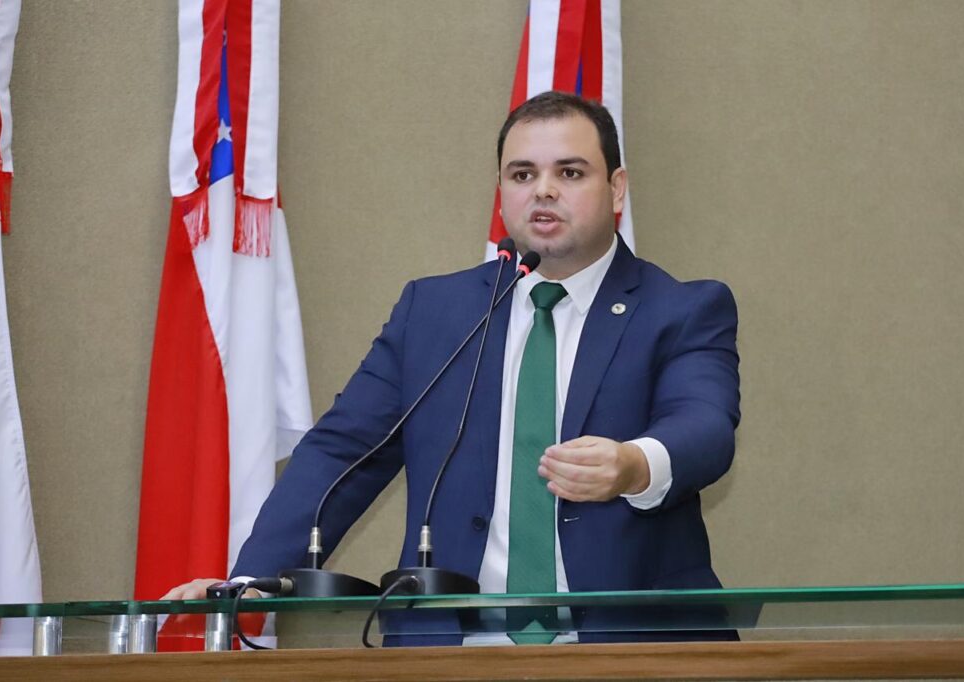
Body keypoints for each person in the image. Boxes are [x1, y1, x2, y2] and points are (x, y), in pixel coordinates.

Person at [164, 91, 740, 645]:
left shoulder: (682, 310)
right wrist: (252, 579)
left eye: (570, 172)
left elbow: (704, 426)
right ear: (501, 192)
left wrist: (634, 464)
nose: (543, 190)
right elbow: (343, 452)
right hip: (452, 651)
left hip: (634, 648)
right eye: (522, 174)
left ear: (616, 189)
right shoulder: (435, 313)